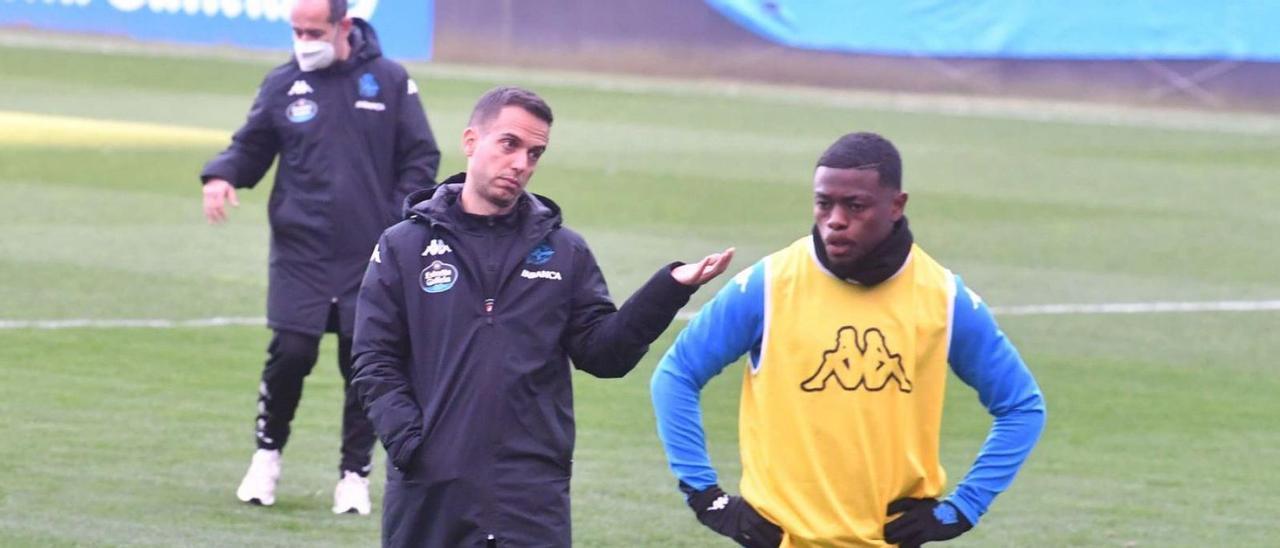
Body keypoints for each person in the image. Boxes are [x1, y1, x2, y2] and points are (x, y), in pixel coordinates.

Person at [351, 86, 734, 547]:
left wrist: (670, 287)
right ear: (471, 141)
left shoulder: (563, 251)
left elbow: (604, 355)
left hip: (530, 494)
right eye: (509, 144)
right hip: (430, 489)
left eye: (535, 153)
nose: (521, 164)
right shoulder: (403, 246)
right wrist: (413, 445)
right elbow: (375, 358)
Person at [651, 132, 1046, 547]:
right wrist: (706, 496)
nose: (835, 219)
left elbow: (1021, 406)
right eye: (824, 203)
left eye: (854, 206)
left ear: (896, 206)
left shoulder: (944, 298)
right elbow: (675, 374)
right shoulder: (768, 285)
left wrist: (963, 507)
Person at [198, 0, 440, 515]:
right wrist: (221, 175)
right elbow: (251, 145)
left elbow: (421, 156)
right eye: (296, 31)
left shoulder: (390, 81)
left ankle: (354, 474)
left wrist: (397, 221)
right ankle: (266, 457)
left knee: (363, 359)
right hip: (300, 250)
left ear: (343, 27)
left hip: (370, 251)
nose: (303, 41)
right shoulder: (283, 83)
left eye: (313, 31)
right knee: (291, 351)